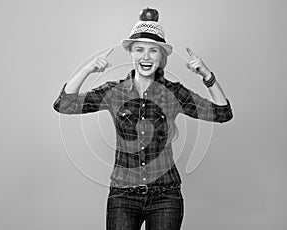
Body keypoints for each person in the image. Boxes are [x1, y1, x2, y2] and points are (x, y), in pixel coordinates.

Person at [53, 8, 233, 230]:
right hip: (123, 197)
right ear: (131, 54)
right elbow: (64, 104)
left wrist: (207, 75)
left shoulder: (173, 93)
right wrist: (88, 69)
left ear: (161, 56)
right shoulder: (115, 92)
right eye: (139, 50)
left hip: (166, 197)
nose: (146, 57)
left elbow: (222, 113)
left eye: (153, 51)